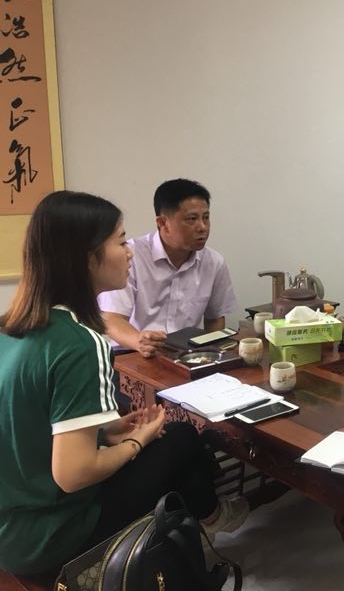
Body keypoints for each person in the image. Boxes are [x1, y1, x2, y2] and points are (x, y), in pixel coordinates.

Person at [0, 191, 248, 576]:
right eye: (119, 242)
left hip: (10, 527)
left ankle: (194, 531)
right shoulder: (80, 343)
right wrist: (137, 441)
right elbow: (74, 474)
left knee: (175, 437)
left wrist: (108, 430)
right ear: (86, 257)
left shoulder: (11, 326)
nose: (129, 252)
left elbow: (28, 419)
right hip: (53, 536)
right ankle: (191, 537)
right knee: (180, 440)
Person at [98, 178, 237, 358]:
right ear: (163, 223)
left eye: (206, 218)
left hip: (187, 355)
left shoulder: (214, 262)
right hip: (132, 352)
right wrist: (140, 341)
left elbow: (215, 319)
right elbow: (112, 320)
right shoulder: (130, 256)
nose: (202, 227)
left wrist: (212, 357)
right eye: (192, 219)